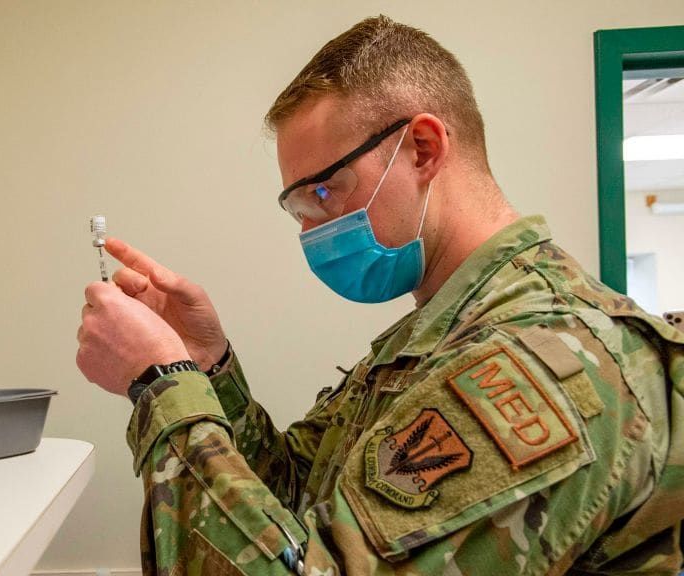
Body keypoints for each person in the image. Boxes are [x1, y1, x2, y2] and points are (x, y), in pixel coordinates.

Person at [75, 15, 684, 575]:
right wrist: (204, 367)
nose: (311, 231)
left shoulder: (546, 362)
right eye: (297, 207)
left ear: (422, 148)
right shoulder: (436, 336)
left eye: (324, 192)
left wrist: (161, 383)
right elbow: (298, 503)